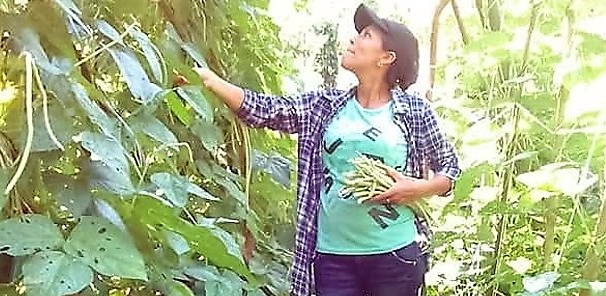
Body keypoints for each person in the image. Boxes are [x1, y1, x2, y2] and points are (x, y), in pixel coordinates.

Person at [193, 3, 461, 296]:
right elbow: (266, 110)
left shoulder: (414, 111)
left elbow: (450, 168)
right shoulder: (324, 106)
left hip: (394, 256)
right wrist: (211, 81)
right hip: (333, 258)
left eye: (366, 36)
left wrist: (417, 188)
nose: (353, 40)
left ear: (387, 57)